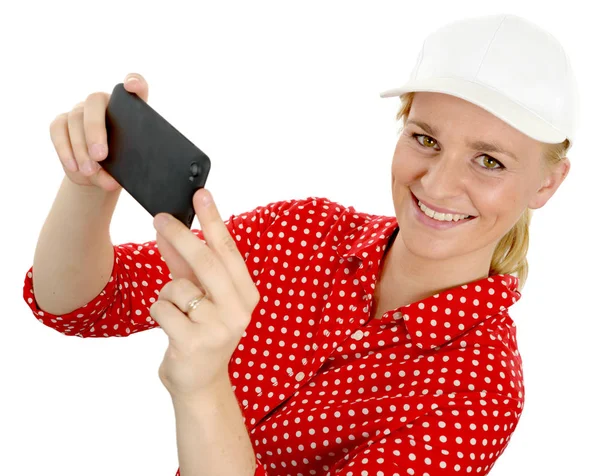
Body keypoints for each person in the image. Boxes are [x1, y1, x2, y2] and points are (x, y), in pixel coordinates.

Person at [23, 13, 578, 476]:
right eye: (425, 139)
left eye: (489, 161)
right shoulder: (305, 233)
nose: (435, 184)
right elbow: (78, 302)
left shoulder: (476, 396)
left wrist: (203, 387)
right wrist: (88, 184)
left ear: (547, 184)